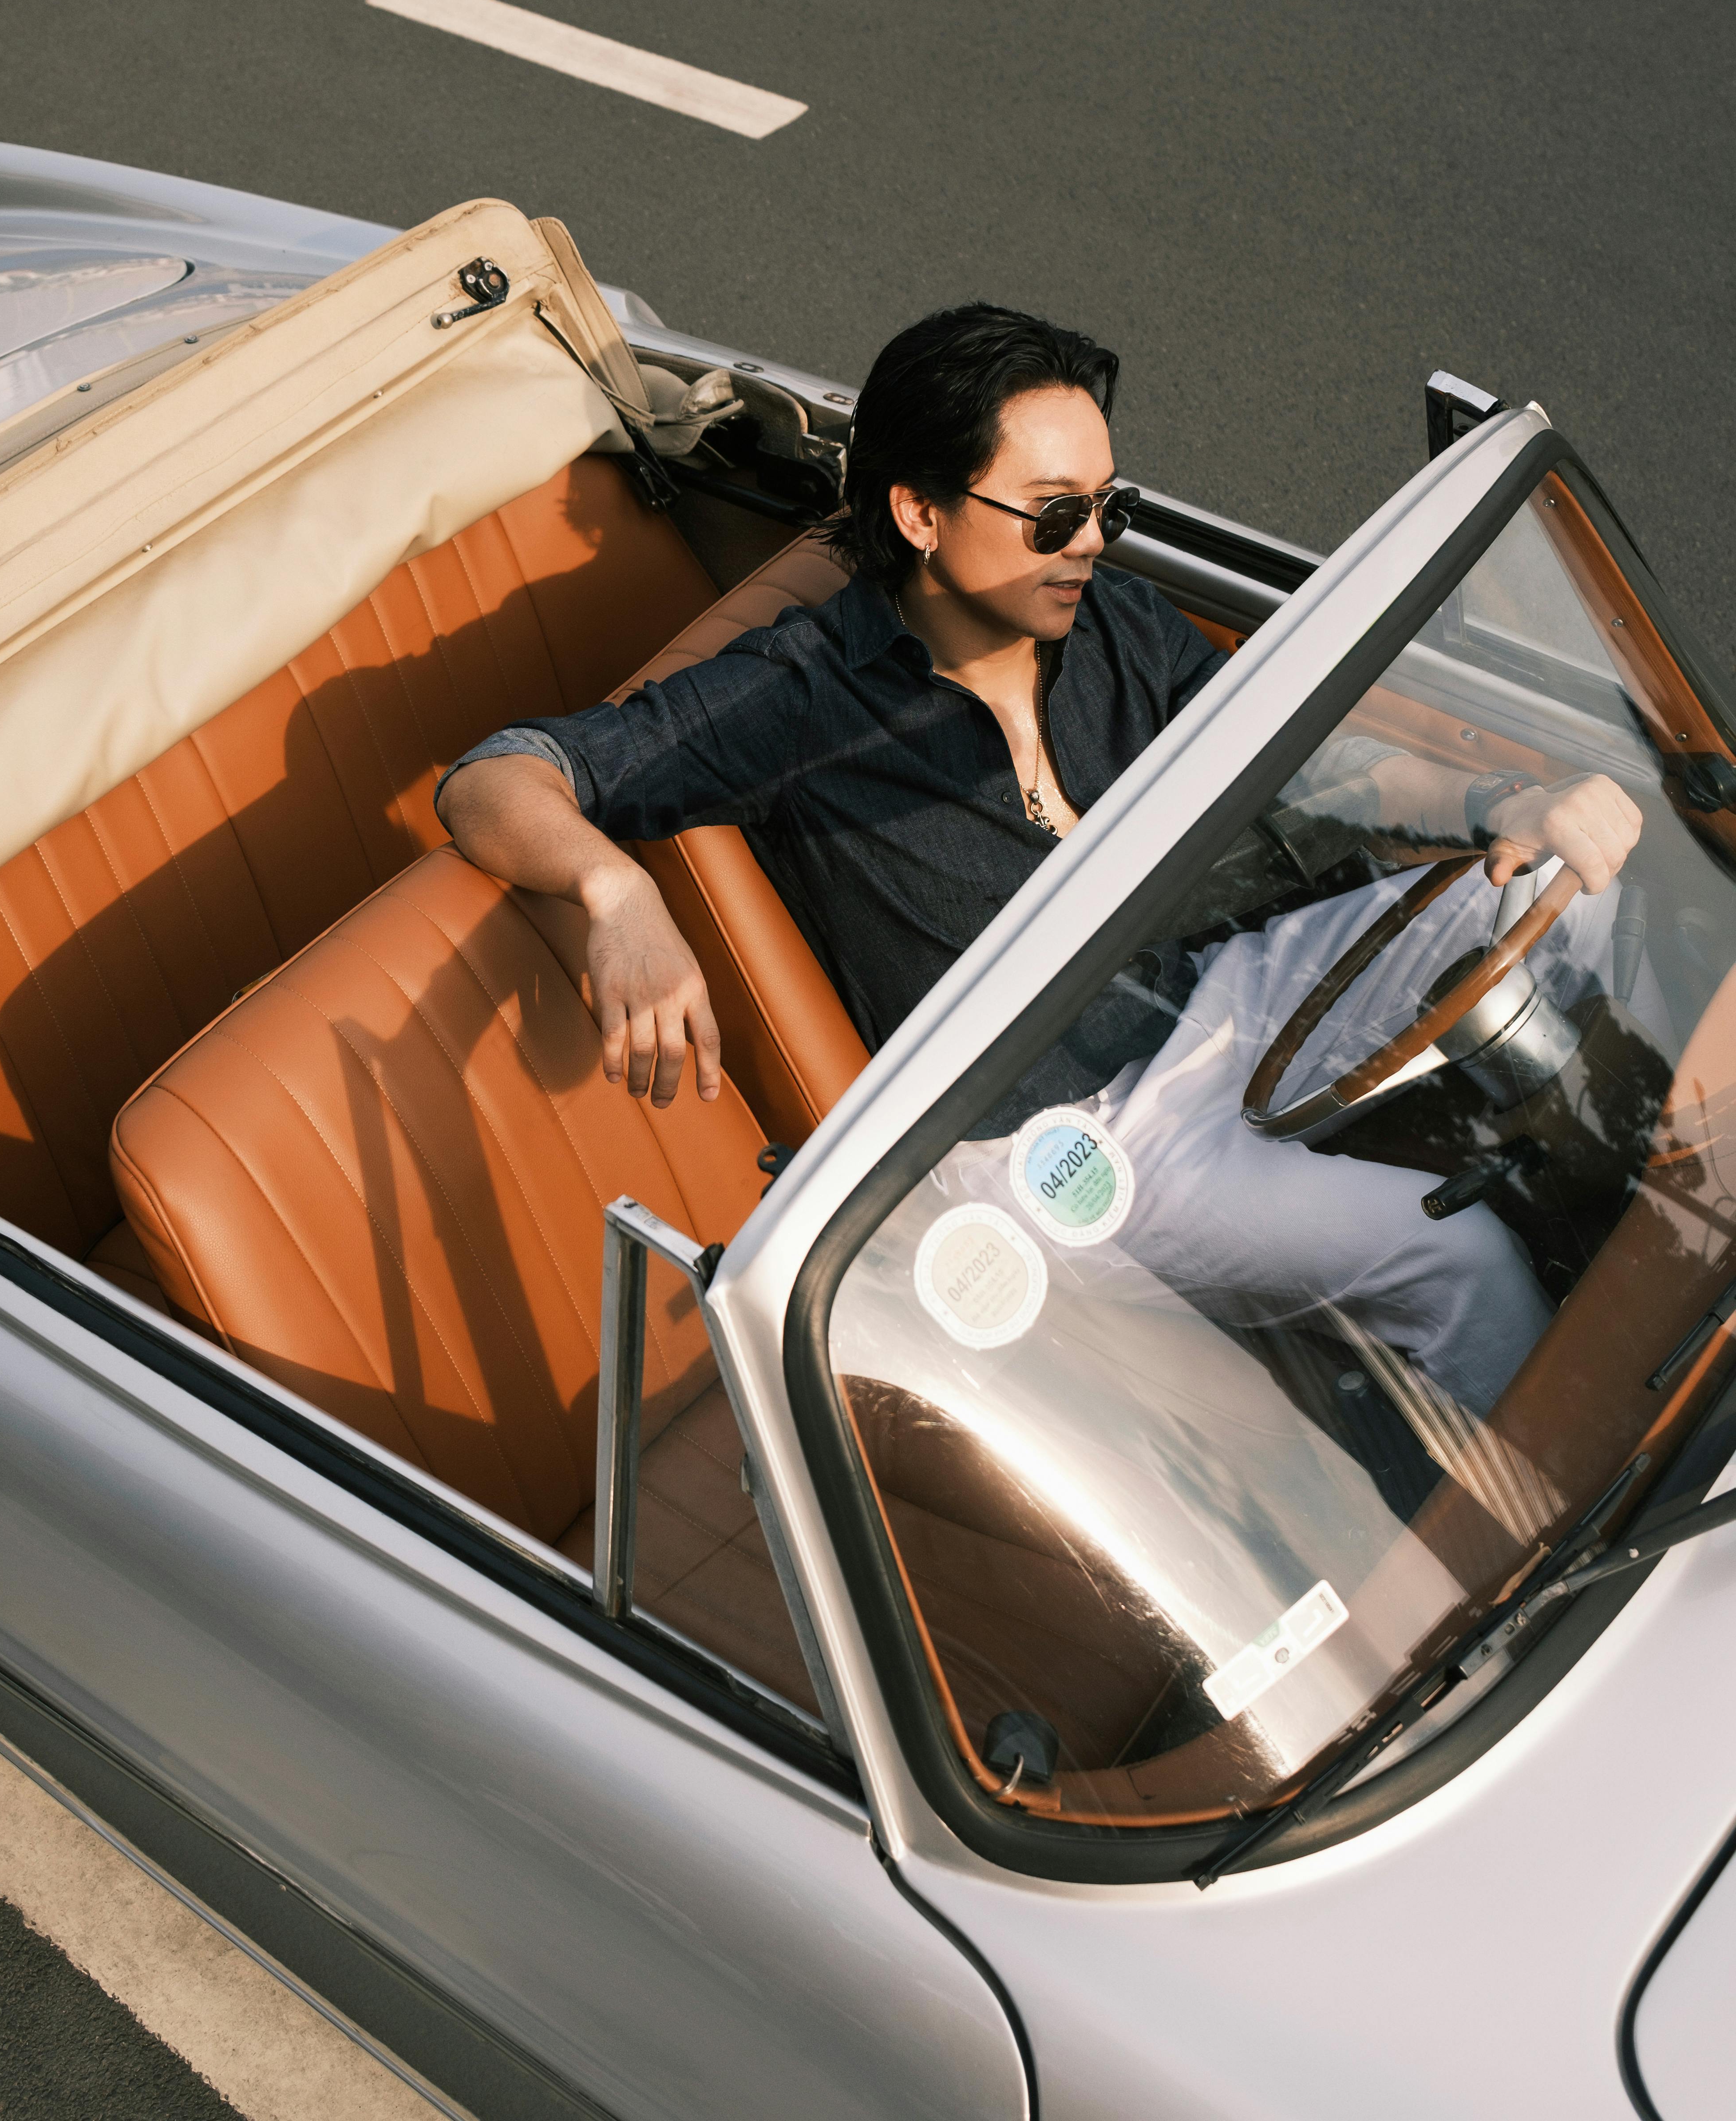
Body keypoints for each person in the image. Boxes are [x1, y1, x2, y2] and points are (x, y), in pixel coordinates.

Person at [439, 305, 1641, 1412]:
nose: (1088, 546)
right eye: (1054, 515)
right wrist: (615, 888)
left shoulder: (1106, 617)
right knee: (1459, 1261)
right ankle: (1548, 1523)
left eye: (1108, 508)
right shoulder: (804, 692)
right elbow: (495, 779)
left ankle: (1658, 1233)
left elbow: (1313, 772)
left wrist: (1505, 799)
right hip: (1068, 1137)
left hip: (1217, 989)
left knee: (1562, 879)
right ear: (920, 514)